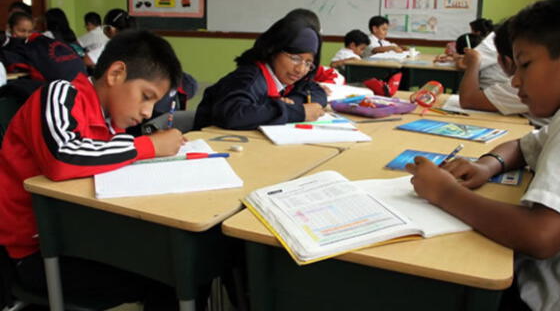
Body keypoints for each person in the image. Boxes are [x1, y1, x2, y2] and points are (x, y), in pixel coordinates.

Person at [406, 0, 560, 311]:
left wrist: (445, 193)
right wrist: (487, 165)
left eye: (525, 64)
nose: (515, 80)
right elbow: (521, 145)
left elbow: (541, 236)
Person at [0, 29, 186, 309]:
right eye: (146, 96)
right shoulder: (61, 94)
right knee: (169, 274)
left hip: (82, 237)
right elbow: (63, 157)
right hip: (37, 253)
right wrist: (149, 146)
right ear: (115, 74)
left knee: (178, 262)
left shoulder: (110, 126)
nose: (148, 112)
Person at [194, 17, 327, 130]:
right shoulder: (249, 78)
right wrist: (296, 111)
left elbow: (317, 92)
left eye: (308, 63)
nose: (301, 69)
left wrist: (293, 102)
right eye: (295, 58)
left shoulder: (286, 77)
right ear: (274, 50)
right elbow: (234, 114)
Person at [457, 19, 549, 127]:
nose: (515, 82)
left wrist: (474, 63)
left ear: (503, 60)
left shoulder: (529, 84)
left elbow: (468, 100)